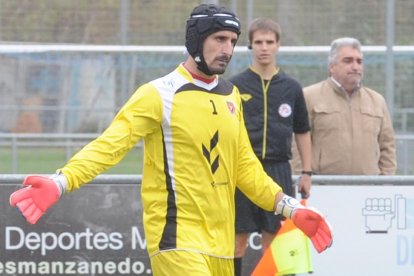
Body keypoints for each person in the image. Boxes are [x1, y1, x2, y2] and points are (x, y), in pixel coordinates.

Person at [9, 4, 332, 276]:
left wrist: (289, 208)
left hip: (220, 243)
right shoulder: (158, 94)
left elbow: (244, 167)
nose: (228, 50)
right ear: (196, 40)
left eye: (232, 40)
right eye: (219, 39)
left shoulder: (230, 94)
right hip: (176, 237)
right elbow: (110, 145)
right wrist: (62, 180)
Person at [229, 18, 312, 276]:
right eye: (258, 42)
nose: (264, 47)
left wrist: (307, 172)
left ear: (278, 45)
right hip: (242, 170)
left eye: (269, 42)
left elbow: (302, 131)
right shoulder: (235, 85)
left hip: (278, 171)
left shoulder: (292, 88)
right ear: (250, 46)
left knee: (274, 241)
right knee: (236, 240)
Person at [293, 37, 396, 175]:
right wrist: (302, 178)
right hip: (324, 188)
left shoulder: (377, 101)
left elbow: (387, 146)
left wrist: (385, 183)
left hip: (369, 190)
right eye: (348, 61)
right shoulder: (309, 97)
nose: (355, 66)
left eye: (359, 61)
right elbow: (296, 144)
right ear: (331, 66)